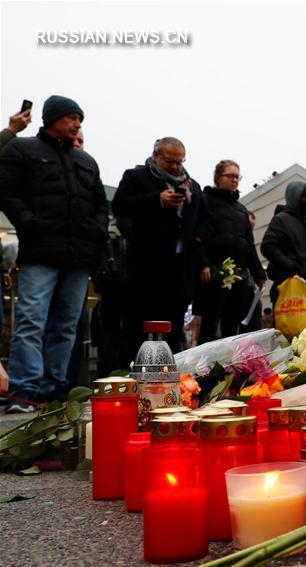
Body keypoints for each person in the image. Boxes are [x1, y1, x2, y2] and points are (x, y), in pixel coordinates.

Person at [0, 95, 107, 412]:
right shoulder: (22, 150)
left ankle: (55, 389)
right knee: (32, 320)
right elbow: (5, 191)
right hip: (40, 252)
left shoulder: (85, 161)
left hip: (78, 256)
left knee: (66, 325)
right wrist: (29, 222)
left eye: (80, 119)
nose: (77, 124)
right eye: (72, 117)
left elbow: (101, 204)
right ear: (52, 118)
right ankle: (24, 389)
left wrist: (98, 229)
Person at [112, 137, 208, 356]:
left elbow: (205, 219)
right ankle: (138, 373)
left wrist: (199, 237)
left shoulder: (193, 186)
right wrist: (157, 200)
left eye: (179, 162)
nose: (175, 167)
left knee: (174, 328)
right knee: (142, 326)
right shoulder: (136, 177)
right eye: (169, 161)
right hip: (147, 267)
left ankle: (173, 372)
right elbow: (120, 206)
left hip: (181, 269)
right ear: (156, 156)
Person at [196, 160, 265, 342]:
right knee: (210, 325)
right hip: (214, 273)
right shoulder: (205, 201)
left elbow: (249, 245)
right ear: (218, 178)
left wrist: (258, 274)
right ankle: (204, 367)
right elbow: (197, 237)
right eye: (230, 176)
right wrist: (203, 264)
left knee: (232, 325)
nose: (234, 180)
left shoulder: (241, 210)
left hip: (239, 277)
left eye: (237, 176)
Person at [260, 180, 306, 306]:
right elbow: (267, 246)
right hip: (290, 293)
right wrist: (291, 266)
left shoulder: (305, 223)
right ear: (294, 196)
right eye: (304, 196)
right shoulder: (281, 219)